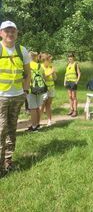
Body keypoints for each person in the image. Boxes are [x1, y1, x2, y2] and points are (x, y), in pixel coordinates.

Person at [0, 20, 31, 177]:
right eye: (7, 31)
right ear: (1, 33)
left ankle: (8, 161)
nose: (10, 34)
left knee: (12, 129)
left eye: (13, 31)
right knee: (1, 129)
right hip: (1, 97)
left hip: (17, 96)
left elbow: (27, 73)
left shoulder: (22, 50)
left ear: (17, 33)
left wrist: (25, 90)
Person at [26, 51, 45, 132]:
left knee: (32, 108)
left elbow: (26, 77)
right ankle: (37, 124)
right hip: (40, 88)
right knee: (37, 107)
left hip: (31, 89)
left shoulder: (28, 65)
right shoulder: (40, 66)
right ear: (35, 57)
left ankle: (34, 127)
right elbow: (44, 77)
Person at [41, 54, 57, 126]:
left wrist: (53, 73)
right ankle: (38, 121)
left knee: (49, 105)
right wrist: (51, 72)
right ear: (45, 60)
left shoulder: (51, 66)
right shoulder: (41, 67)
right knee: (42, 105)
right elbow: (43, 77)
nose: (50, 62)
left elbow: (55, 78)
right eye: (49, 60)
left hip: (51, 88)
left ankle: (49, 120)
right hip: (44, 89)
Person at [64, 53, 81, 117]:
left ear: (73, 58)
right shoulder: (67, 65)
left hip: (73, 82)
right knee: (70, 96)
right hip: (68, 82)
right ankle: (71, 109)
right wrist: (64, 81)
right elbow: (66, 74)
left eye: (71, 57)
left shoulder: (76, 64)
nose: (70, 58)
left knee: (74, 97)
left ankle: (75, 111)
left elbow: (79, 73)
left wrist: (77, 81)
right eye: (69, 57)